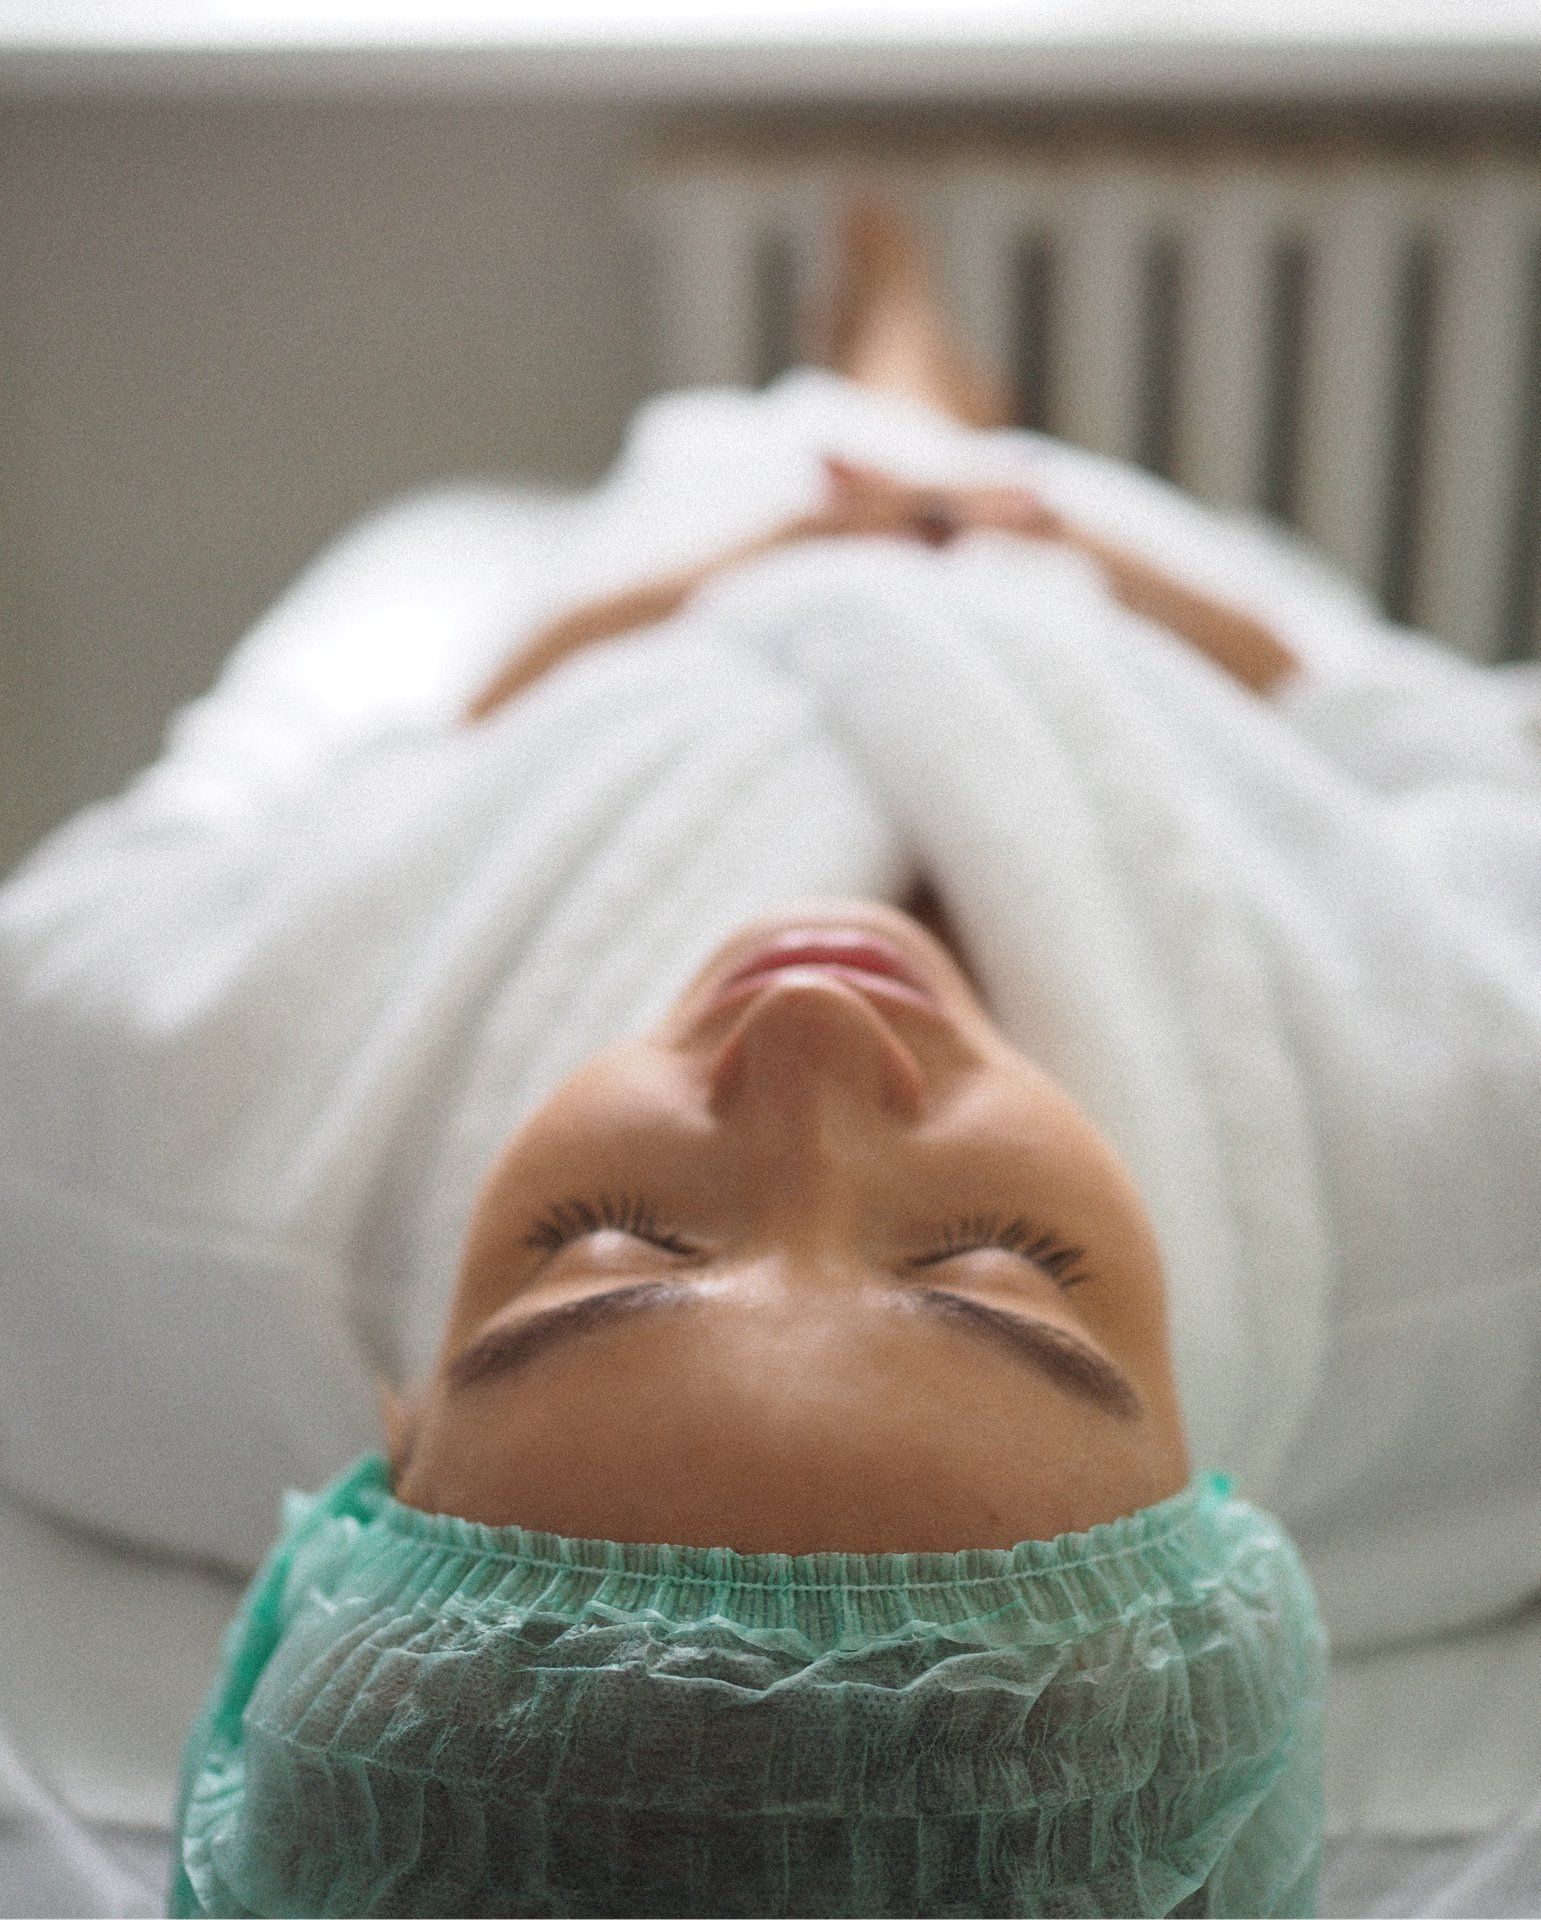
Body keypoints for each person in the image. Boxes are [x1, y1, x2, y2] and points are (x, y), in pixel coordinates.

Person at [2, 198, 1536, 1915]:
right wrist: (1112, 582)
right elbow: (1469, 763)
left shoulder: (144, 1148)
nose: (809, 1030)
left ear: (397, 1434)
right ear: (1215, 1495)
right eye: (999, 1262)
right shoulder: (1487, 1214)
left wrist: (722, 582)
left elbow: (315, 799)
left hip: (679, 658)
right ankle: (932, 389)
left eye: (605, 1239)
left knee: (777, 448)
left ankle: (877, 374)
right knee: (953, 446)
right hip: (1105, 652)